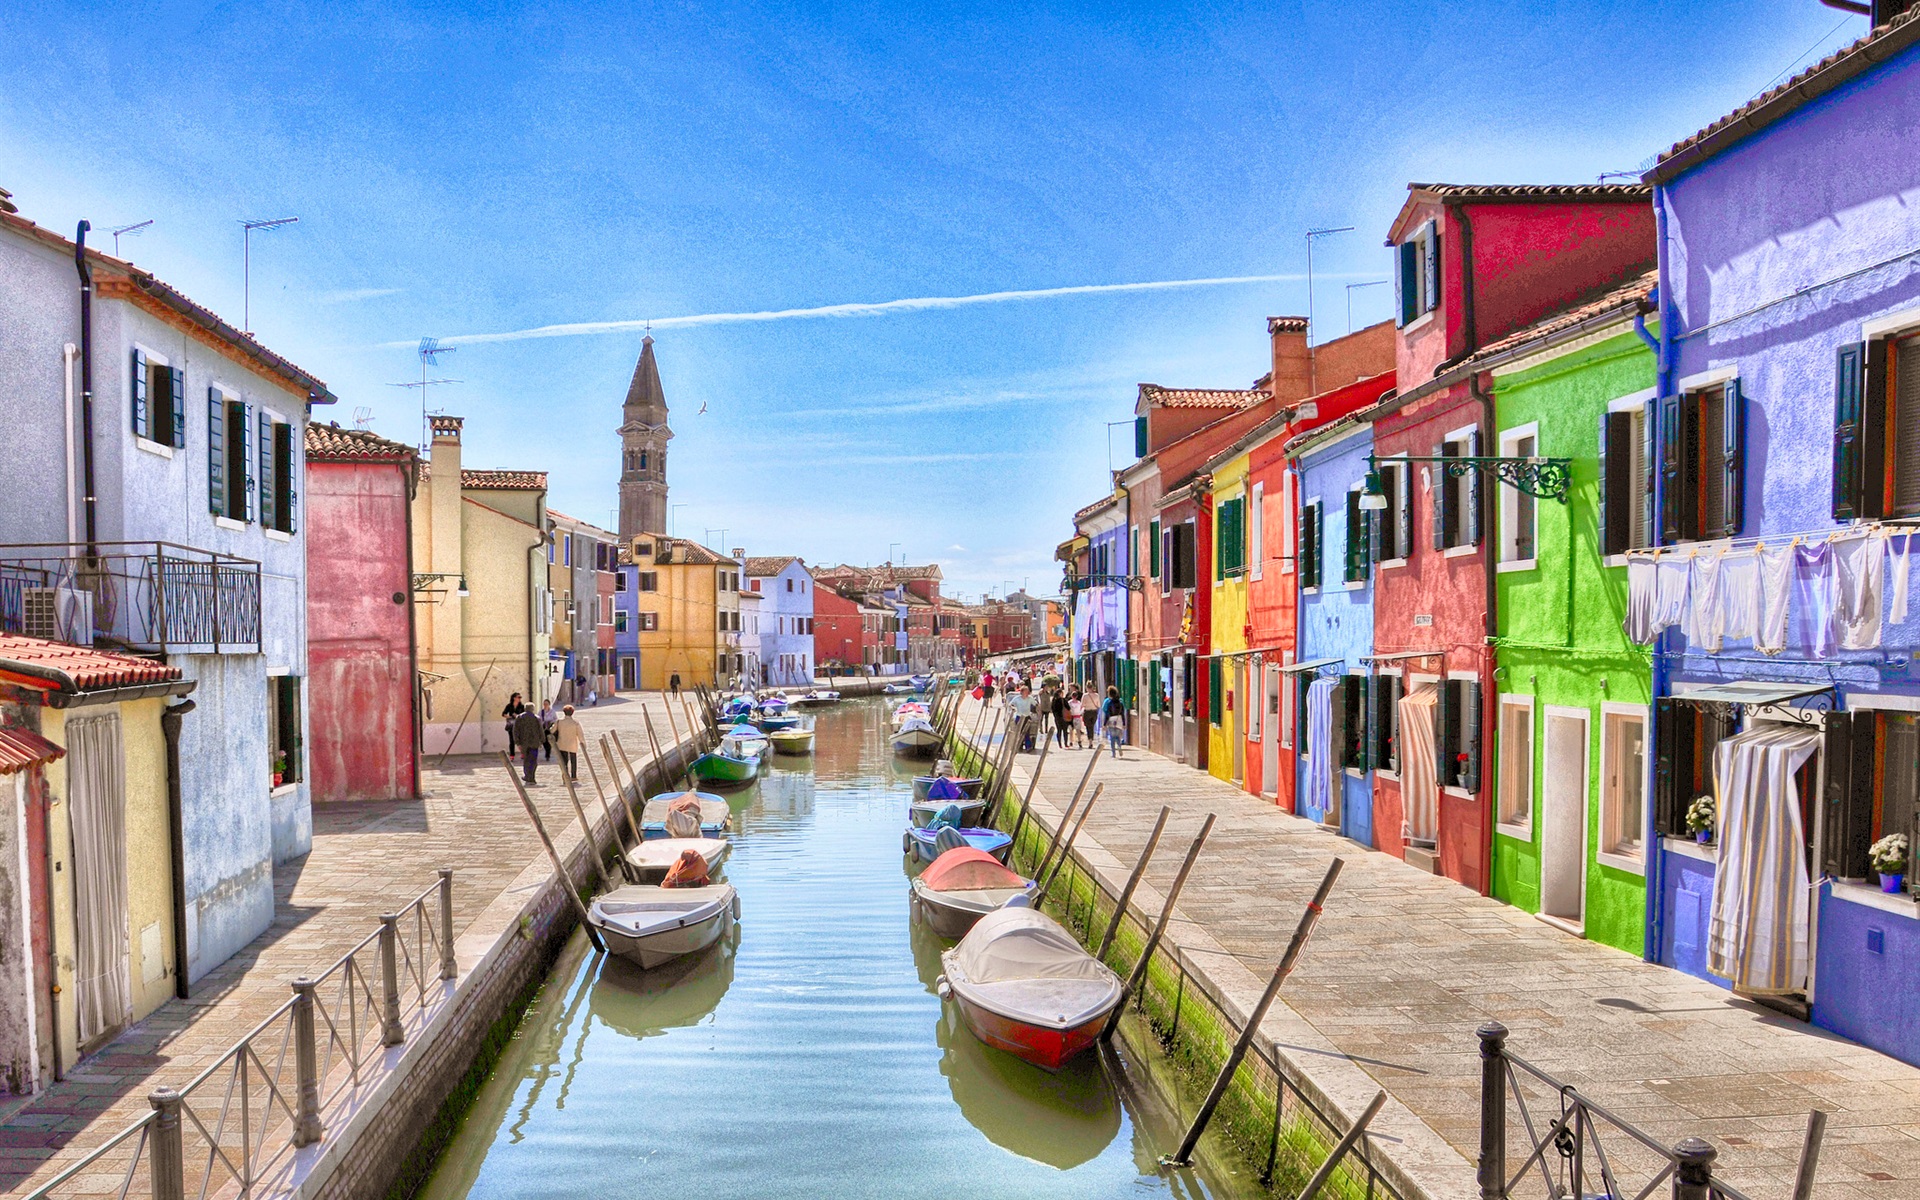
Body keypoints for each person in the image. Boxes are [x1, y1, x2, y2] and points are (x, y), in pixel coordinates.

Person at [511, 706, 546, 783]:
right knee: (533, 760)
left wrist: (517, 742)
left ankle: (527, 776)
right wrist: (542, 740)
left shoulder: (519, 717)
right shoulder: (537, 718)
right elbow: (541, 730)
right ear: (533, 709)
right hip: (534, 742)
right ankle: (532, 776)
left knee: (526, 760)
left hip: (524, 743)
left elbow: (515, 731)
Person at [551, 704, 584, 780]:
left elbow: (552, 730)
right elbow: (580, 734)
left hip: (562, 743)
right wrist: (583, 743)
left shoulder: (559, 722)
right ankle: (573, 776)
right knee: (573, 760)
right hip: (572, 744)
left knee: (564, 761)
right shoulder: (575, 723)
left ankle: (565, 775)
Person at [1101, 685, 1128, 758]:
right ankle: (1119, 746)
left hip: (1111, 720)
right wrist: (1124, 723)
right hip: (1119, 720)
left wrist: (1104, 724)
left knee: (1112, 737)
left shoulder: (1109, 703)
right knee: (1118, 736)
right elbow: (1122, 714)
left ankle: (1113, 753)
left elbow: (1107, 714)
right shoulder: (1120, 702)